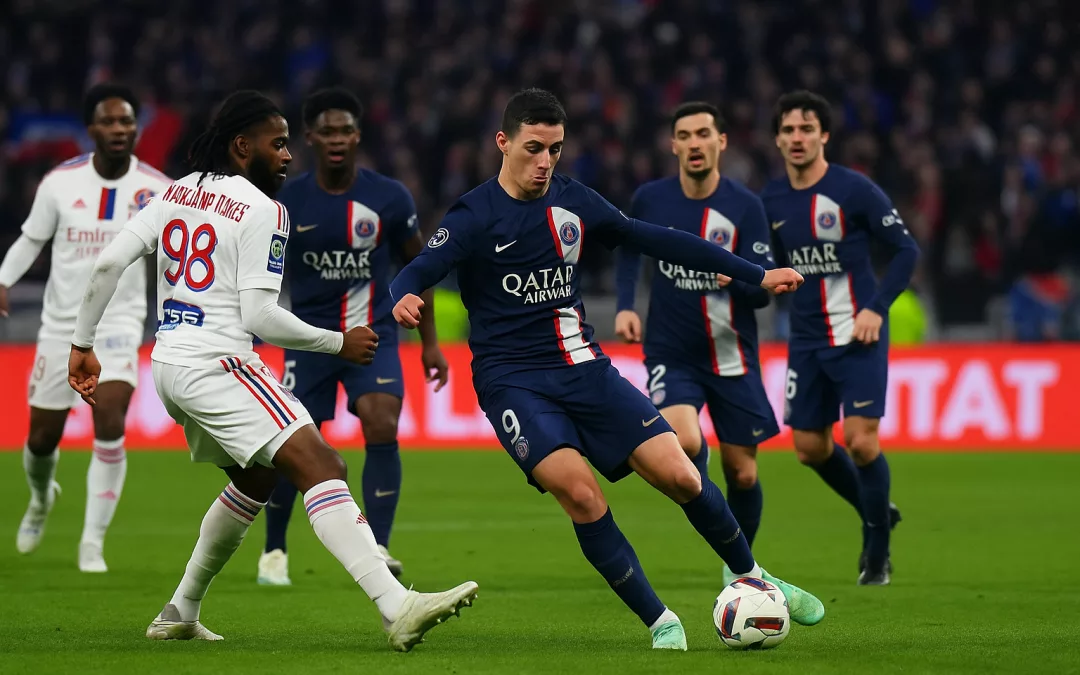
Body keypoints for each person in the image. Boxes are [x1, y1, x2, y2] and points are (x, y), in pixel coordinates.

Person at [389, 88, 823, 651]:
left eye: (556, 150)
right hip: (514, 383)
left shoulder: (573, 201)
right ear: (503, 142)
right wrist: (402, 297)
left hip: (586, 368)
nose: (545, 162)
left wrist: (754, 274)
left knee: (684, 475)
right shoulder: (474, 215)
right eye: (534, 148)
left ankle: (758, 578)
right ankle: (660, 620)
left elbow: (657, 240)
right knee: (583, 496)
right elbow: (418, 266)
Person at [66, 90, 476, 650]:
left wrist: (82, 344)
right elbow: (261, 315)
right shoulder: (265, 210)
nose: (287, 155)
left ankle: (178, 609)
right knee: (324, 463)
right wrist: (339, 342)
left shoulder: (174, 192)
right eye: (277, 144)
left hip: (168, 362)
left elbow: (111, 261)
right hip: (218, 362)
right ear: (242, 147)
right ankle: (396, 605)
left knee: (255, 479)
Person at [257, 87, 448, 585]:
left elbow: (418, 265)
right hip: (310, 341)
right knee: (292, 447)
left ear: (358, 136)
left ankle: (379, 545)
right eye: (327, 131)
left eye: (346, 130)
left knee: (382, 423)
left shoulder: (388, 196)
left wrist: (429, 342)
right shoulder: (286, 199)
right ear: (311, 138)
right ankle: (274, 551)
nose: (337, 139)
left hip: (373, 335)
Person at [0, 83, 172, 572]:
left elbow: (175, 256)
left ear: (136, 128)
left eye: (126, 122)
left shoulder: (159, 189)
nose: (119, 130)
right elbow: (30, 240)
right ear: (90, 129)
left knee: (111, 419)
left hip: (119, 324)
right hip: (59, 327)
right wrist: (2, 279)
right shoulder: (59, 183)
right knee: (40, 441)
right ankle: (40, 498)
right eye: (109, 122)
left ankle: (91, 542)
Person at [614, 102, 778, 586]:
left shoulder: (746, 206)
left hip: (732, 355)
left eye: (704, 133)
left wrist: (738, 280)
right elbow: (627, 252)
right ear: (674, 145)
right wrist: (626, 303)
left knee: (743, 474)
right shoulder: (650, 199)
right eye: (684, 135)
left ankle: (737, 568)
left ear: (721, 141)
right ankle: (710, 520)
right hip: (671, 352)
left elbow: (763, 291)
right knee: (684, 441)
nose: (695, 143)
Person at [761, 90, 916, 585]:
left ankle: (877, 550)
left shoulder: (854, 190)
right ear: (777, 140)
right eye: (788, 130)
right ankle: (877, 507)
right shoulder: (770, 201)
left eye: (807, 128)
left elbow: (906, 251)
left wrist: (876, 307)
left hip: (858, 332)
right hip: (806, 338)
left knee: (861, 442)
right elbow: (769, 264)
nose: (797, 138)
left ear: (824, 135)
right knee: (809, 447)